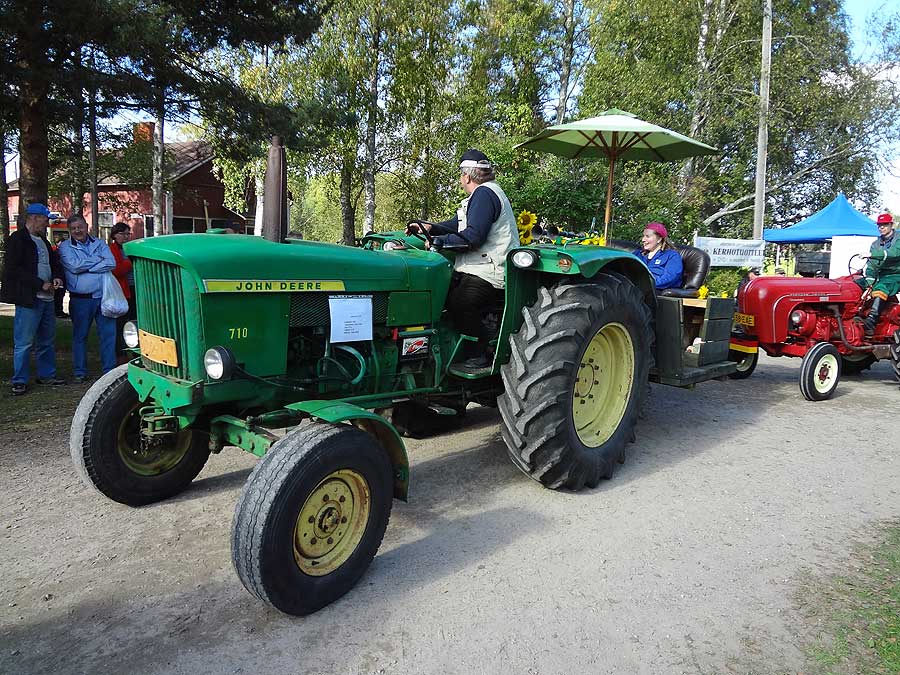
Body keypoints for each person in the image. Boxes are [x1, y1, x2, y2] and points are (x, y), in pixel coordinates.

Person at [407, 149, 520, 370]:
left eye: (460, 176)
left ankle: (483, 349)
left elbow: (474, 236)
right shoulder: (485, 194)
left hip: (490, 269)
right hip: (479, 266)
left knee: (459, 301)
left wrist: (441, 242)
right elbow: (459, 224)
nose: (461, 180)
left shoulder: (484, 194)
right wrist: (431, 228)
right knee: (440, 290)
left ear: (466, 176)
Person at [1, 203, 66, 395]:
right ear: (34, 217)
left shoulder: (43, 241)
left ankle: (47, 375)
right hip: (29, 299)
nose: (46, 223)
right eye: (45, 219)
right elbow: (14, 270)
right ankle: (19, 380)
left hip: (47, 299)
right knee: (24, 341)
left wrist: (56, 277)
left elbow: (55, 264)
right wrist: (39, 284)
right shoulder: (18, 239)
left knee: (47, 340)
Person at [58, 214, 116, 382]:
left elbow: (111, 263)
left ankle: (109, 371)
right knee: (80, 336)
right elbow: (74, 267)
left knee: (107, 334)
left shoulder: (99, 243)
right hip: (80, 299)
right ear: (70, 230)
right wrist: (98, 260)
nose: (78, 231)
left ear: (86, 226)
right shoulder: (65, 247)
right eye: (74, 228)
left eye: (80, 227)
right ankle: (80, 372)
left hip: (103, 297)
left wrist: (86, 265)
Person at [856, 212, 900, 336]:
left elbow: (895, 253)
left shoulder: (899, 239)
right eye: (879, 225)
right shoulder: (875, 244)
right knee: (855, 283)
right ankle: (852, 313)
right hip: (880, 276)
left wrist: (872, 255)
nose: (881, 227)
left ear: (891, 225)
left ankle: (871, 321)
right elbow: (871, 267)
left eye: (885, 224)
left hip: (896, 275)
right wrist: (869, 283)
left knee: (882, 287)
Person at [109, 222, 136, 361]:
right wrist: (130, 262)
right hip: (122, 291)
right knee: (121, 324)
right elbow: (116, 270)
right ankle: (121, 354)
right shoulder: (113, 249)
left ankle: (137, 352)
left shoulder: (130, 248)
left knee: (135, 322)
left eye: (128, 234)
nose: (126, 237)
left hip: (134, 289)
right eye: (123, 234)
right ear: (115, 235)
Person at [632, 222, 683, 291]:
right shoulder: (637, 254)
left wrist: (646, 285)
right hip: (632, 288)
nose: (643, 239)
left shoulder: (672, 255)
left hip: (654, 291)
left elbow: (670, 278)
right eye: (643, 236)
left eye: (647, 236)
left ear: (659, 239)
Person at [51, 232, 68, 318]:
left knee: (61, 294)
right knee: (58, 295)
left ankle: (58, 310)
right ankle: (57, 311)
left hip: (63, 276)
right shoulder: (56, 254)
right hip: (58, 276)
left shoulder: (63, 254)